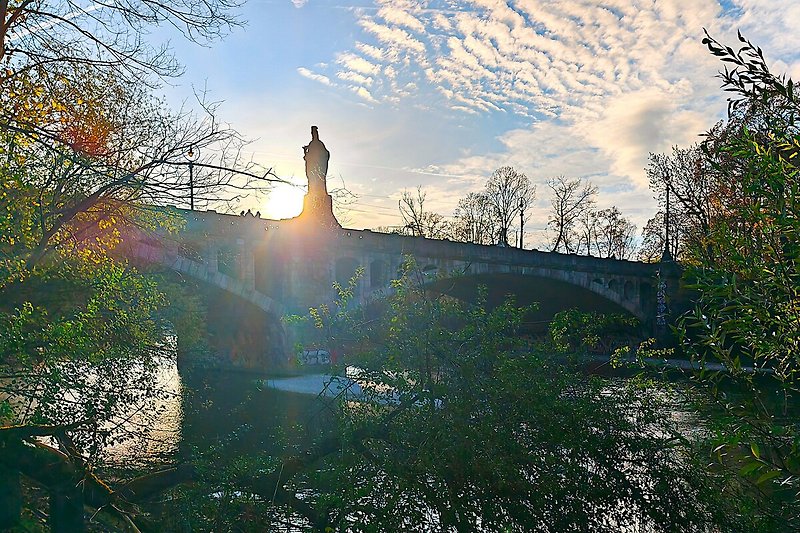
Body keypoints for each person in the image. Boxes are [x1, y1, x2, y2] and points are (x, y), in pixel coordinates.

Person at [303, 126, 329, 196]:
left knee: (319, 181)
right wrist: (305, 152)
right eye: (312, 133)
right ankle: (311, 192)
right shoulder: (311, 144)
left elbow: (325, 154)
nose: (313, 135)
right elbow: (308, 158)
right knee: (311, 180)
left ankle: (321, 193)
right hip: (312, 168)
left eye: (314, 133)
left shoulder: (319, 144)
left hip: (318, 168)